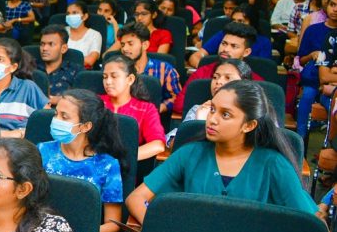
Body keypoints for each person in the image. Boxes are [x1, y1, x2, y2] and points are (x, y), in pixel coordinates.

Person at [127, 80, 317, 223]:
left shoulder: (273, 164)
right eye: (212, 109)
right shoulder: (190, 153)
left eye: (225, 114)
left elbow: (311, 222)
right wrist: (162, 231)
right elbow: (135, 198)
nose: (212, 119)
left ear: (249, 125)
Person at [38, 89, 126, 232]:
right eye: (56, 114)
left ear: (85, 126)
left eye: (64, 117)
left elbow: (112, 224)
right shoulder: (41, 151)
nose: (56, 120)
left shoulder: (107, 165)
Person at [181, 22, 263, 111]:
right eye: (224, 43)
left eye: (234, 46)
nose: (225, 49)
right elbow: (180, 104)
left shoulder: (255, 81)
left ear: (246, 52)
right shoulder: (202, 72)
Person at [100, 55, 166, 160]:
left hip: (126, 166)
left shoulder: (146, 109)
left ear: (130, 79)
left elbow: (157, 145)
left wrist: (121, 159)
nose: (108, 82)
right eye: (105, 77)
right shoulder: (95, 103)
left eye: (114, 76)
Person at [116, 23, 183, 114]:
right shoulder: (117, 69)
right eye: (123, 45)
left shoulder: (165, 69)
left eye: (130, 44)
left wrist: (162, 107)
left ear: (145, 45)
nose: (125, 49)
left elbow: (178, 98)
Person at [37, 25, 81, 103]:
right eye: (42, 44)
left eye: (51, 44)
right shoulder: (30, 68)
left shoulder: (76, 71)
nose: (44, 48)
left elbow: (83, 98)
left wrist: (60, 100)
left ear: (63, 48)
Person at [63, 2, 102, 68]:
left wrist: (63, 59)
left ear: (85, 16)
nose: (70, 16)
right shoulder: (61, 32)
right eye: (68, 13)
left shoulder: (95, 35)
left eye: (74, 13)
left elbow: (90, 61)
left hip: (83, 72)